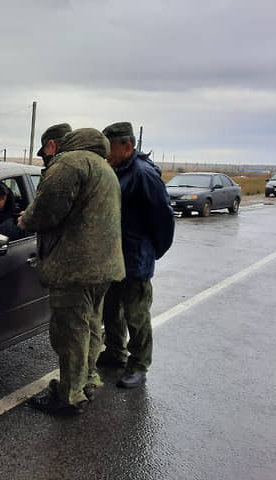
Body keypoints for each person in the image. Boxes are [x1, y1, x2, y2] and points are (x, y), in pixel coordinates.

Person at [19, 128, 125, 415]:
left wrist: (25, 219)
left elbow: (48, 211)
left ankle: (68, 397)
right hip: (103, 267)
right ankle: (87, 380)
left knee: (70, 334)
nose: (46, 158)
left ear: (53, 145)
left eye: (46, 152)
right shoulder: (102, 167)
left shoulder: (69, 163)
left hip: (76, 267)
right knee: (90, 328)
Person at [98, 122, 175, 388]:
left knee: (136, 314)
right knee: (111, 309)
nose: (105, 153)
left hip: (136, 258)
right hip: (114, 256)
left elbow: (163, 217)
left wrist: (154, 252)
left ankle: (139, 364)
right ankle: (115, 352)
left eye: (109, 147)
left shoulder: (143, 174)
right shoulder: (117, 169)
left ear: (127, 146)